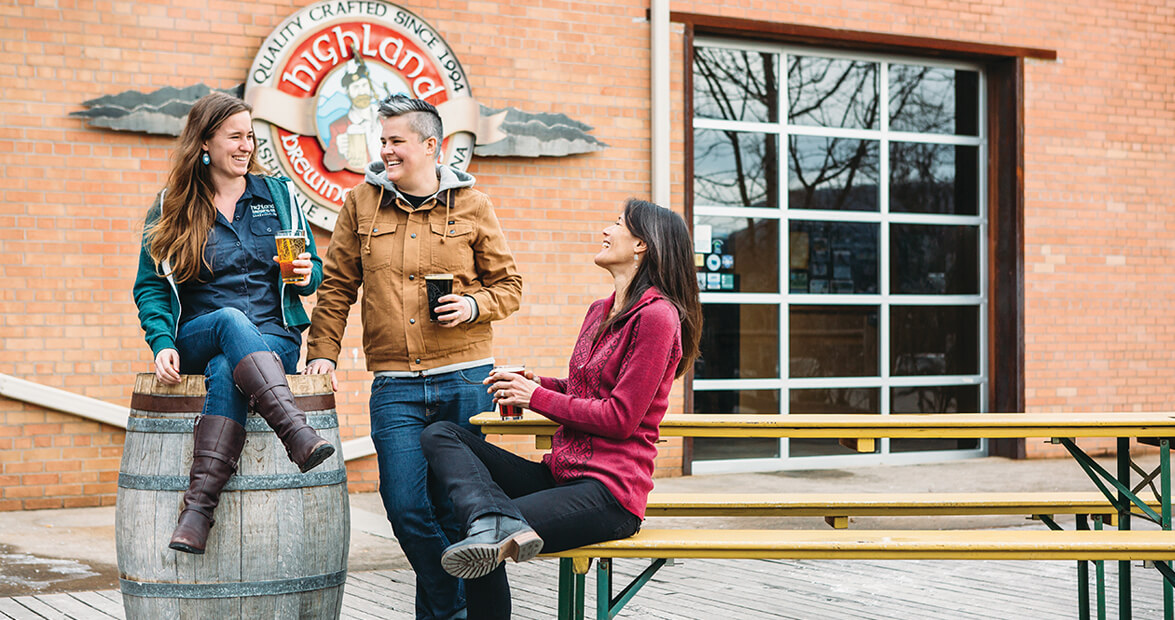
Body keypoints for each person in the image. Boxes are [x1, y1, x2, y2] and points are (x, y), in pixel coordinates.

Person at [420, 198, 703, 619]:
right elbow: (588, 389)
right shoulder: (600, 310)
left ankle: (492, 521)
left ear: (642, 244)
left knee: (483, 539)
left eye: (617, 223)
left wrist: (534, 398)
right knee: (441, 435)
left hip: (609, 494)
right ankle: (490, 516)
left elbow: (620, 417)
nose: (606, 230)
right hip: (560, 475)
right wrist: (540, 383)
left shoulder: (658, 318)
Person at [303, 94, 522, 620]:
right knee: (405, 507)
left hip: (465, 379)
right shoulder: (361, 203)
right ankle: (453, 600)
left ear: (431, 145)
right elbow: (336, 287)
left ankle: (449, 613)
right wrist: (323, 354)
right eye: (383, 141)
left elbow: (510, 287)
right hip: (395, 385)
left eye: (396, 141)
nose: (386, 151)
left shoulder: (474, 206)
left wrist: (473, 304)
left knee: (455, 509)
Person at [132, 92, 333, 555]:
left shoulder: (279, 196)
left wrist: (306, 275)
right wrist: (162, 341)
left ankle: (197, 513)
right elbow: (151, 287)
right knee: (227, 320)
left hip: (273, 338)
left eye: (251, 137)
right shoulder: (171, 207)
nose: (247, 146)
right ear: (205, 142)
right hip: (200, 332)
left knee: (228, 368)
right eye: (235, 137)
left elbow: (313, 270)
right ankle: (297, 433)